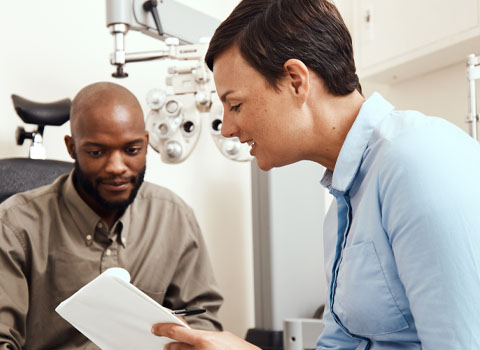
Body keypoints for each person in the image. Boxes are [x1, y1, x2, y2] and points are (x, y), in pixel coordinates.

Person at [152, 0, 480, 349]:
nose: (229, 127)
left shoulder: (419, 160)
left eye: (235, 105)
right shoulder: (343, 206)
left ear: (296, 80)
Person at [0, 82, 223, 350]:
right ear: (71, 147)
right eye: (97, 152)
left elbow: (203, 321)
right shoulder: (16, 225)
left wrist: (186, 337)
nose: (116, 167)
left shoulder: (173, 216)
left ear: (147, 142)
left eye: (132, 150)